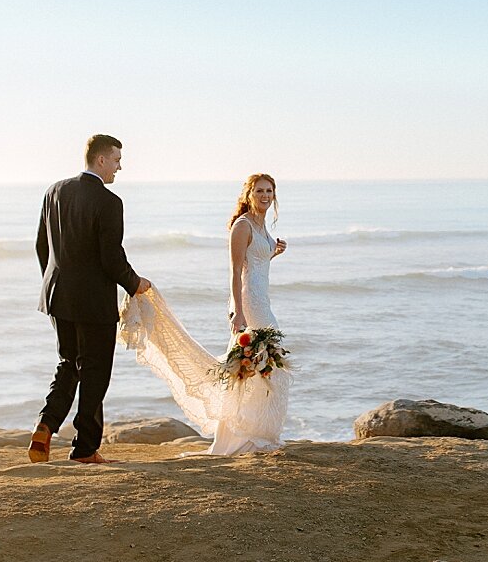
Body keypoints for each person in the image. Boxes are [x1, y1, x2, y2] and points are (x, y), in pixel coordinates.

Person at [118, 173, 291, 455]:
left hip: (263, 300)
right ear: (249, 194)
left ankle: (255, 433)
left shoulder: (261, 225)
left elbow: (256, 262)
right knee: (254, 366)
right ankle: (239, 438)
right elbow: (236, 272)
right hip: (249, 303)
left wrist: (273, 251)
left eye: (269, 191)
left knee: (260, 368)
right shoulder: (243, 226)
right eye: (260, 190)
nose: (265, 196)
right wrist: (237, 311)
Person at [28, 134, 151, 464]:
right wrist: (134, 283)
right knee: (95, 372)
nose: (119, 167)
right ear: (100, 160)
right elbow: (111, 258)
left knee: (69, 364)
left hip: (56, 296)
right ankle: (84, 449)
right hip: (93, 303)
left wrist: (53, 282)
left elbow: (43, 245)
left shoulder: (54, 191)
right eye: (116, 160)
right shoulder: (109, 202)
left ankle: (46, 424)